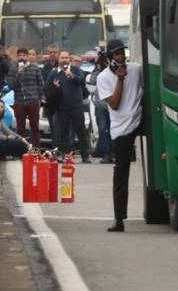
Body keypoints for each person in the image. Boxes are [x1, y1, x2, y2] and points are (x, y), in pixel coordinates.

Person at [97, 39, 143, 232]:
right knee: (121, 172)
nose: (121, 56)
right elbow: (114, 104)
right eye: (116, 54)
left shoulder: (136, 69)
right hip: (121, 127)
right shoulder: (103, 78)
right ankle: (119, 218)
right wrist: (121, 80)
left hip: (141, 119)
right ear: (110, 58)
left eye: (122, 52)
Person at [46, 50, 91, 163]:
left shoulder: (76, 70)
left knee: (81, 131)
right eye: (62, 58)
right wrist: (55, 88)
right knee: (63, 132)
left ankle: (85, 155)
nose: (64, 60)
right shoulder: (53, 73)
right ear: (59, 59)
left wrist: (73, 76)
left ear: (69, 59)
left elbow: (82, 82)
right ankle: (64, 155)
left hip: (76, 106)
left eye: (66, 58)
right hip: (61, 107)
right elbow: (47, 90)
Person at [6, 48, 44, 147]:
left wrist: (39, 99)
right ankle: (20, 148)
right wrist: (19, 73)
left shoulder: (35, 68)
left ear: (27, 56)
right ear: (17, 57)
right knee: (20, 127)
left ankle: (36, 148)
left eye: (24, 55)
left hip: (33, 101)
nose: (22, 57)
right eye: (20, 55)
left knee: (34, 126)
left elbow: (41, 85)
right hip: (19, 101)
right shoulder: (13, 69)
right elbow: (11, 86)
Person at [87, 51, 114, 164]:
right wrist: (97, 67)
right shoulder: (98, 71)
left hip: (113, 104)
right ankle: (106, 154)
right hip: (101, 105)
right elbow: (92, 81)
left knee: (113, 130)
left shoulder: (113, 69)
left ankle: (113, 152)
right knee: (103, 130)